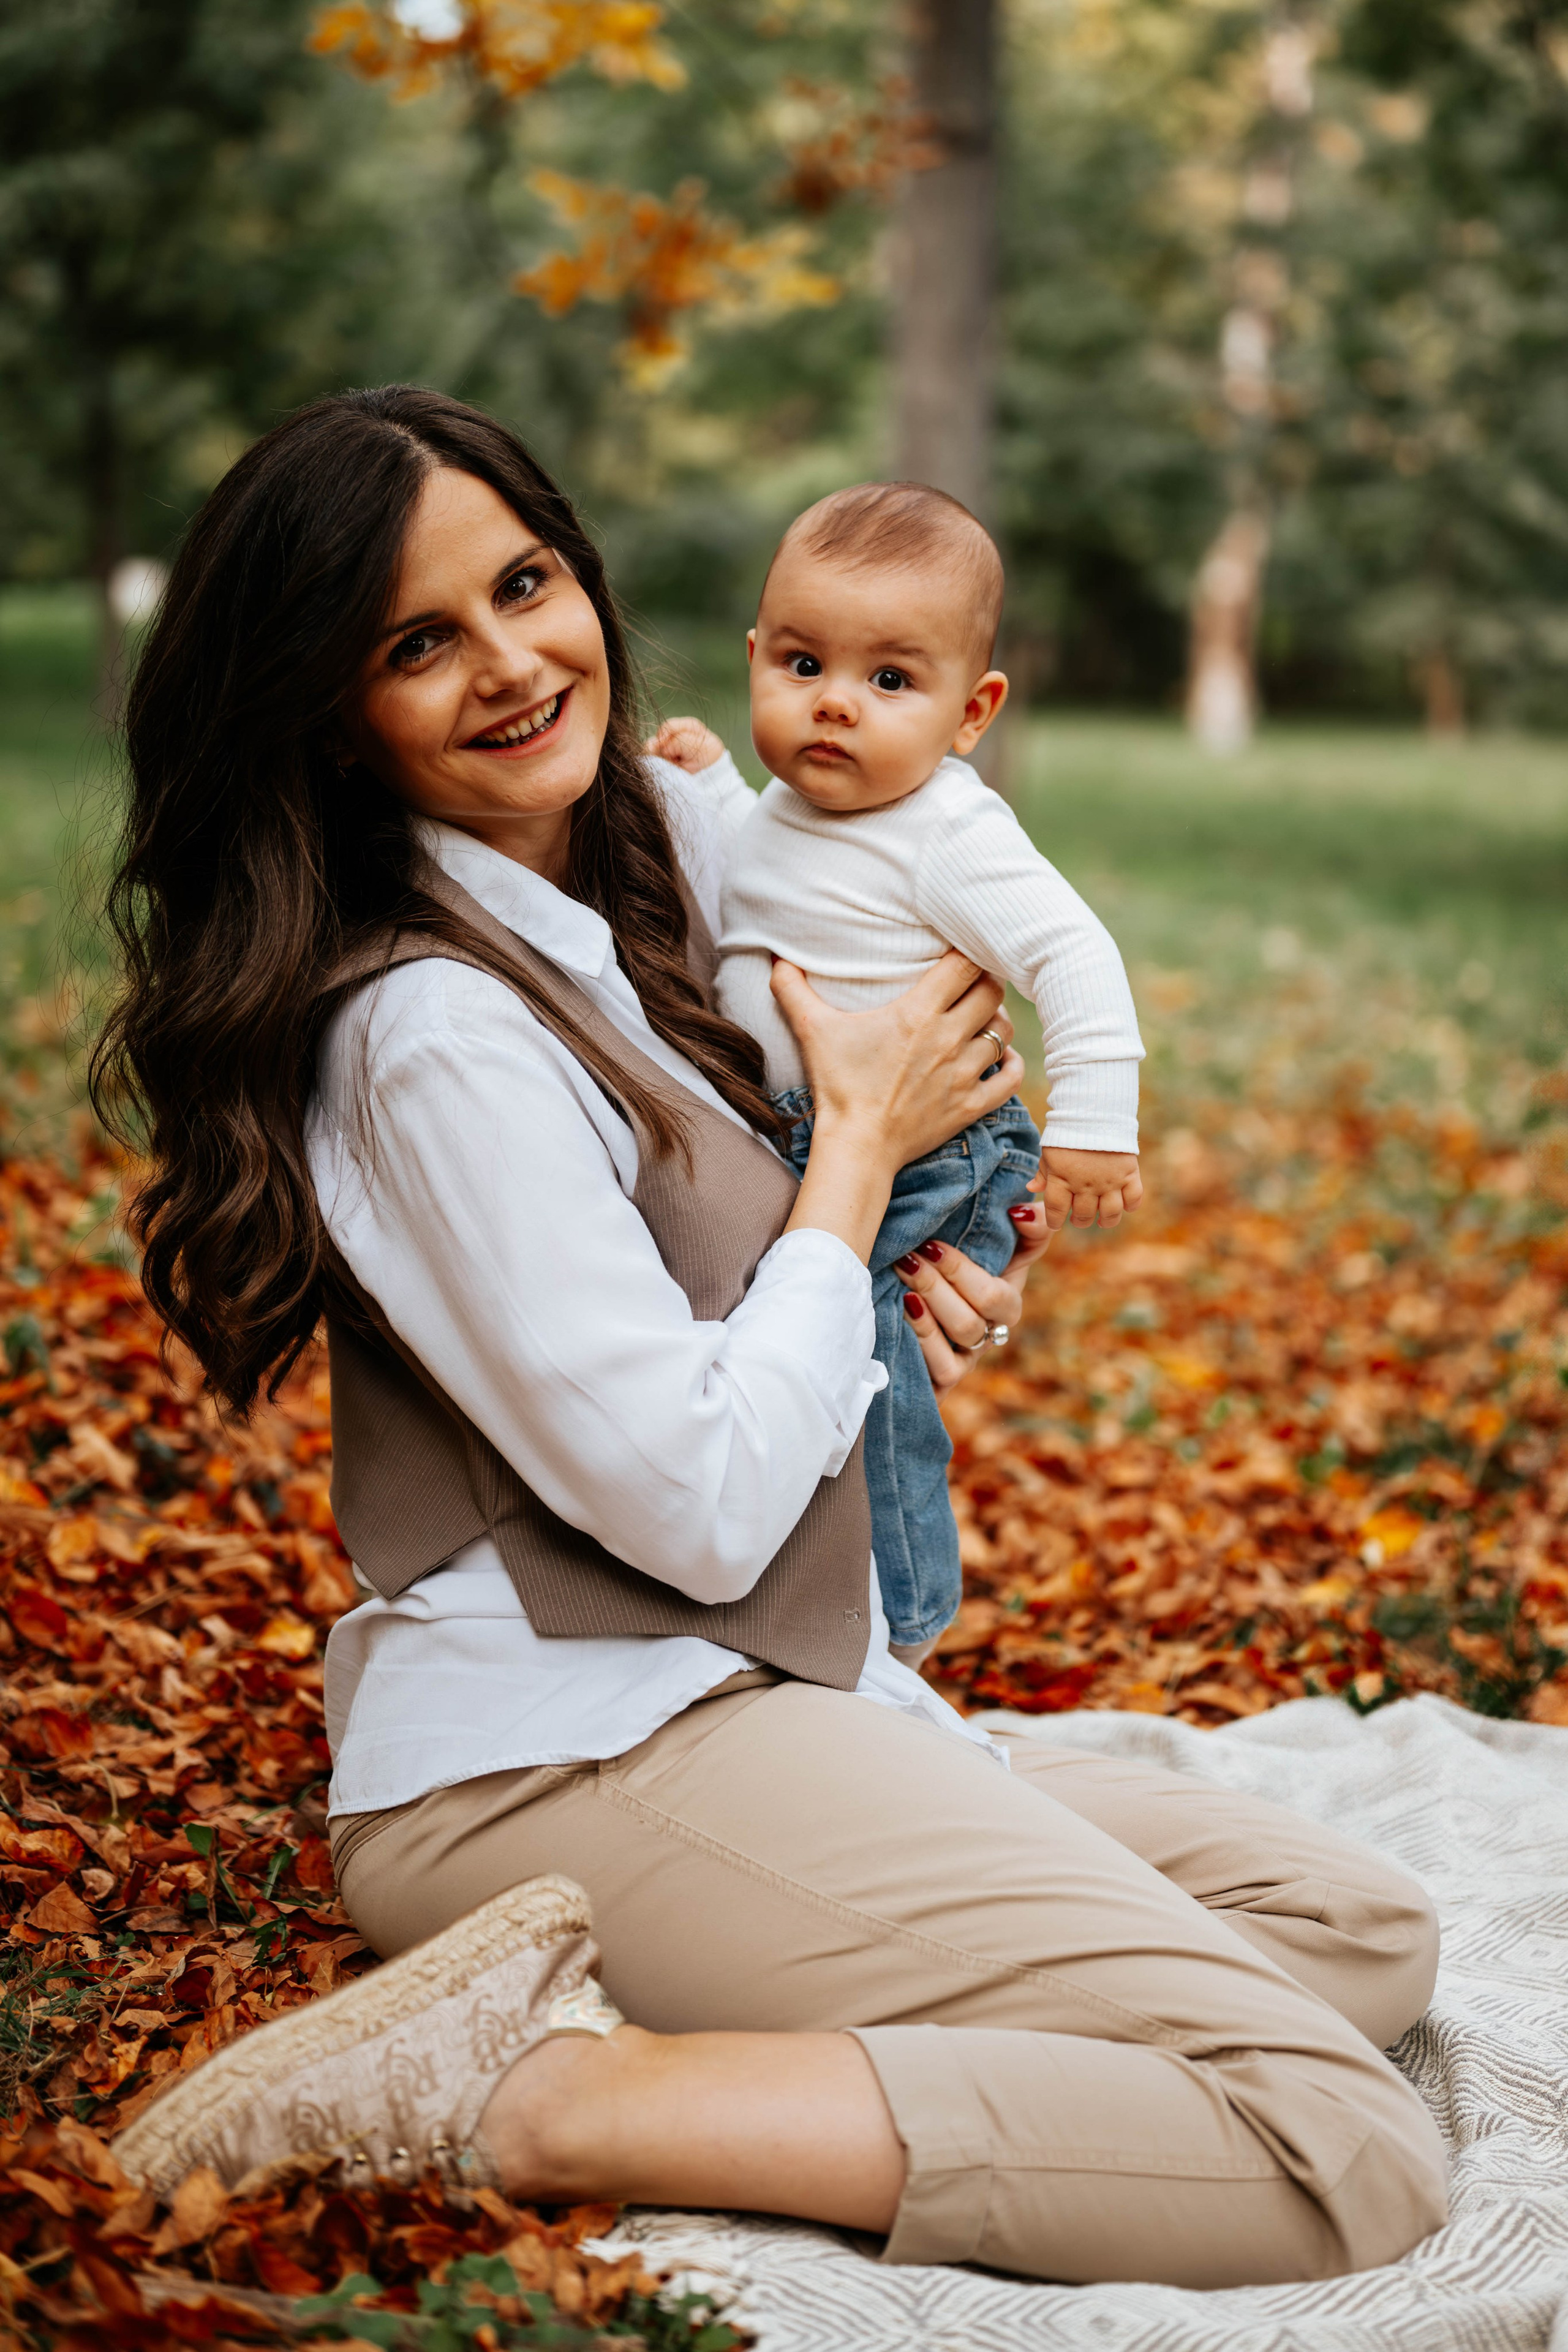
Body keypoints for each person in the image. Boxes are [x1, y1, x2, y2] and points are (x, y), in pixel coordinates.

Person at [100, 385, 1447, 2288]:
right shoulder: (434, 1035)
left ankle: (821, 2049)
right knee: (1341, 2146)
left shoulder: (615, 903)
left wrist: (891, 1291)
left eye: (527, 583)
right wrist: (863, 1156)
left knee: (1360, 1936)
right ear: (327, 709)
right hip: (566, 1757)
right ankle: (538, 2096)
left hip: (752, 1686)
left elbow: (743, 1313)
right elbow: (708, 1508)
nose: (511, 663)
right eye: (418, 643)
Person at [649, 481, 1144, 1666]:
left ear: (970, 714)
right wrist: (713, 782)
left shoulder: (947, 833)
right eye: (804, 664)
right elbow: (764, 876)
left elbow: (1072, 950)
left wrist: (1097, 1123)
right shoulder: (795, 801)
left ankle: (897, 1610)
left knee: (857, 1358)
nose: (834, 707)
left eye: (889, 681)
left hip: (932, 1148)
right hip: (809, 1129)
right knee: (798, 1341)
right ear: (757, 657)